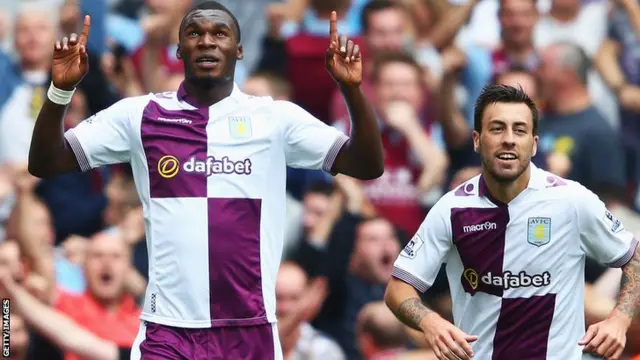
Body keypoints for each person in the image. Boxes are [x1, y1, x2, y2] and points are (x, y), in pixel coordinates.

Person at [27, 1, 384, 359]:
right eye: (194, 33)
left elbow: (366, 165)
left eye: (220, 33)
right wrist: (60, 92)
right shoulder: (140, 115)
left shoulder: (274, 118)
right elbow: (46, 162)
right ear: (179, 49)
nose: (207, 41)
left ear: (239, 49)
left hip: (249, 331)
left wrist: (352, 89)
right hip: (167, 332)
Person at [384, 84, 640, 360]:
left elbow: (634, 257)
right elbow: (397, 288)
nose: (509, 139)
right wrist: (430, 322)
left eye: (519, 130)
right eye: (497, 129)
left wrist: (619, 319)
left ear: (534, 144)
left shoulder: (572, 200)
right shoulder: (452, 208)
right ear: (476, 140)